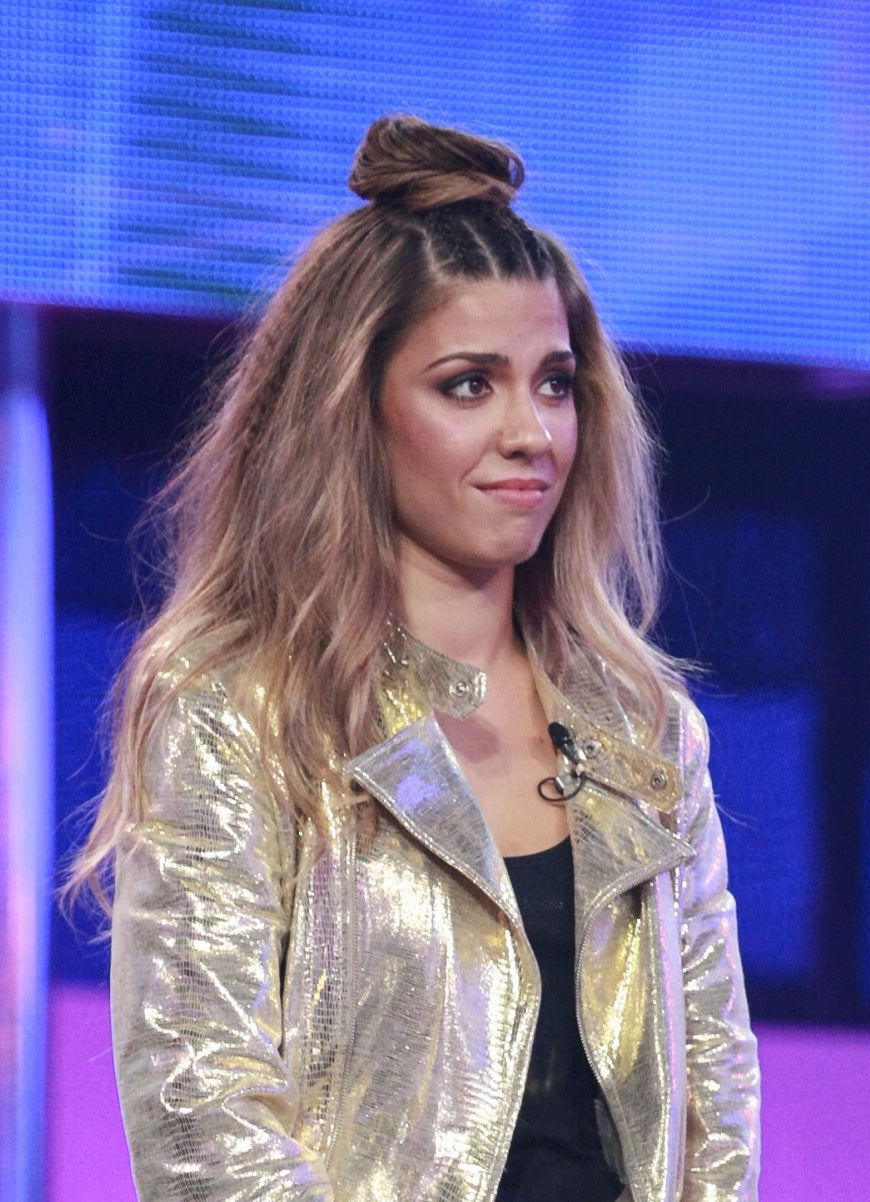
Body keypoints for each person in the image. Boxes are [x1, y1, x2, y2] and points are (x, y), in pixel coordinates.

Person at [69, 114, 760, 1201]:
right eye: (470, 384)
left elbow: (714, 1091)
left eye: (555, 381)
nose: (533, 431)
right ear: (355, 410)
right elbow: (201, 1100)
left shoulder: (645, 727)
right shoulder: (239, 709)